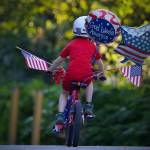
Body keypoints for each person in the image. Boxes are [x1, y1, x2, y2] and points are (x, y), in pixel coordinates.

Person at [48, 16, 106, 126]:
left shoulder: (71, 44)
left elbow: (58, 61)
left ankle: (60, 115)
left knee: (64, 92)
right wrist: (102, 73)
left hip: (70, 76)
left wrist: (50, 70)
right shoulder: (92, 46)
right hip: (86, 76)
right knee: (90, 83)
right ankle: (88, 105)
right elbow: (100, 63)